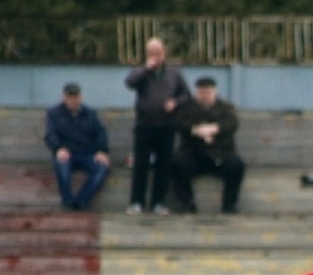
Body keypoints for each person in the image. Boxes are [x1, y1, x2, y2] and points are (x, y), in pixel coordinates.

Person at [124, 37, 190, 215]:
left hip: (166, 125)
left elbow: (186, 95)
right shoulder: (140, 71)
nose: (155, 57)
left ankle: (158, 202)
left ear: (164, 53)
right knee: (141, 165)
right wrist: (146, 68)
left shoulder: (174, 73)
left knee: (163, 165)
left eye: (158, 53)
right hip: (145, 124)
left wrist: (175, 102)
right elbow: (129, 83)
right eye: (151, 53)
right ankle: (136, 202)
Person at [170, 76, 245, 214]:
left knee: (236, 165)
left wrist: (214, 129)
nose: (205, 95)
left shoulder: (225, 108)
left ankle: (229, 205)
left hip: (220, 154)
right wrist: (196, 130)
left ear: (214, 92)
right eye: (201, 92)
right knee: (177, 163)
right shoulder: (187, 107)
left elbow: (232, 124)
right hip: (195, 154)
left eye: (208, 92)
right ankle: (186, 203)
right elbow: (179, 124)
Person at [43, 82, 110, 211]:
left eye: (76, 96)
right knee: (62, 166)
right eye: (70, 97)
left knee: (102, 167)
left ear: (81, 97)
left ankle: (81, 201)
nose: (73, 100)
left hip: (87, 153)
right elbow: (50, 134)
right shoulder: (54, 113)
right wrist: (58, 149)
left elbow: (100, 133)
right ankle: (67, 202)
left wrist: (102, 151)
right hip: (66, 153)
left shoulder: (90, 113)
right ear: (64, 98)